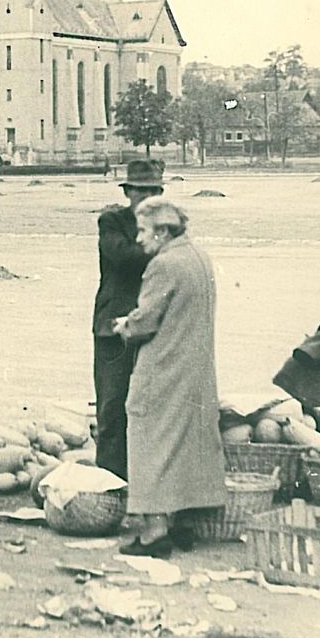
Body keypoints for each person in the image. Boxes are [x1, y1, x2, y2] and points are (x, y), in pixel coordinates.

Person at [113, 196, 226, 557]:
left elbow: (146, 321)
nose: (139, 240)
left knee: (149, 440)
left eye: (144, 232)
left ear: (163, 231)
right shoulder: (198, 258)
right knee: (186, 444)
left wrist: (124, 325)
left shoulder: (163, 265)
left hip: (163, 368)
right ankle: (182, 524)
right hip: (194, 370)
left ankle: (154, 532)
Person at [92, 157, 164, 481]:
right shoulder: (111, 222)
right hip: (113, 328)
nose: (146, 198)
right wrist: (160, 245)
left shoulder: (163, 228)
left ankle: (144, 482)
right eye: (140, 191)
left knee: (150, 407)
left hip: (151, 327)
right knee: (111, 406)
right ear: (128, 192)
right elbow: (123, 257)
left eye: (152, 191)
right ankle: (110, 483)